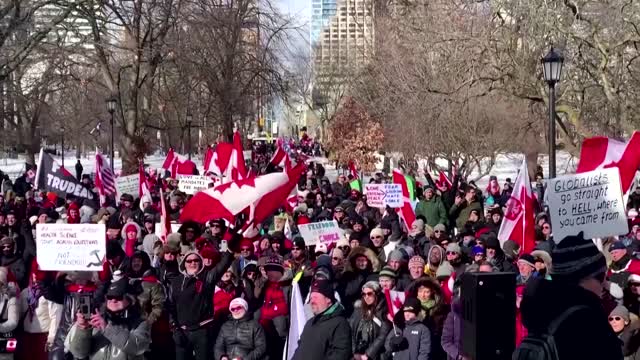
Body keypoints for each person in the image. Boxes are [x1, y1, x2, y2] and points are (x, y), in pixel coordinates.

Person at [518, 232, 623, 359]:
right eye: (601, 277)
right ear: (583, 277)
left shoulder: (539, 310)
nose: (603, 284)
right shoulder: (587, 322)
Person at [169, 241, 235, 360]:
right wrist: (174, 328)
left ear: (201, 263)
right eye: (189, 261)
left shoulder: (207, 278)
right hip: (182, 331)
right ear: (184, 264)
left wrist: (229, 251)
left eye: (196, 260)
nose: (193, 263)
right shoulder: (176, 282)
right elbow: (170, 306)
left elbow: (222, 266)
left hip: (201, 330)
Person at [67, 277, 150, 360]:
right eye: (110, 297)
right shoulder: (95, 321)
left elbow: (137, 347)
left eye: (119, 297)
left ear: (130, 300)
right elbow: (78, 353)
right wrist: (83, 329)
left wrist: (107, 328)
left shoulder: (140, 323)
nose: (113, 300)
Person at [292, 279, 351, 360]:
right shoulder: (309, 323)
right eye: (311, 298)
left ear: (328, 299)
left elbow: (340, 355)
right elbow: (299, 350)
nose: (312, 301)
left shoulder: (340, 324)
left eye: (316, 297)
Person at [349, 281, 391, 360]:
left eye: (369, 294)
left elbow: (383, 335)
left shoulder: (384, 310)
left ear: (377, 294)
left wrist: (368, 354)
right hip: (357, 352)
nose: (366, 297)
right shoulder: (358, 310)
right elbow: (350, 329)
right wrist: (354, 352)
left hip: (375, 355)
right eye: (364, 294)